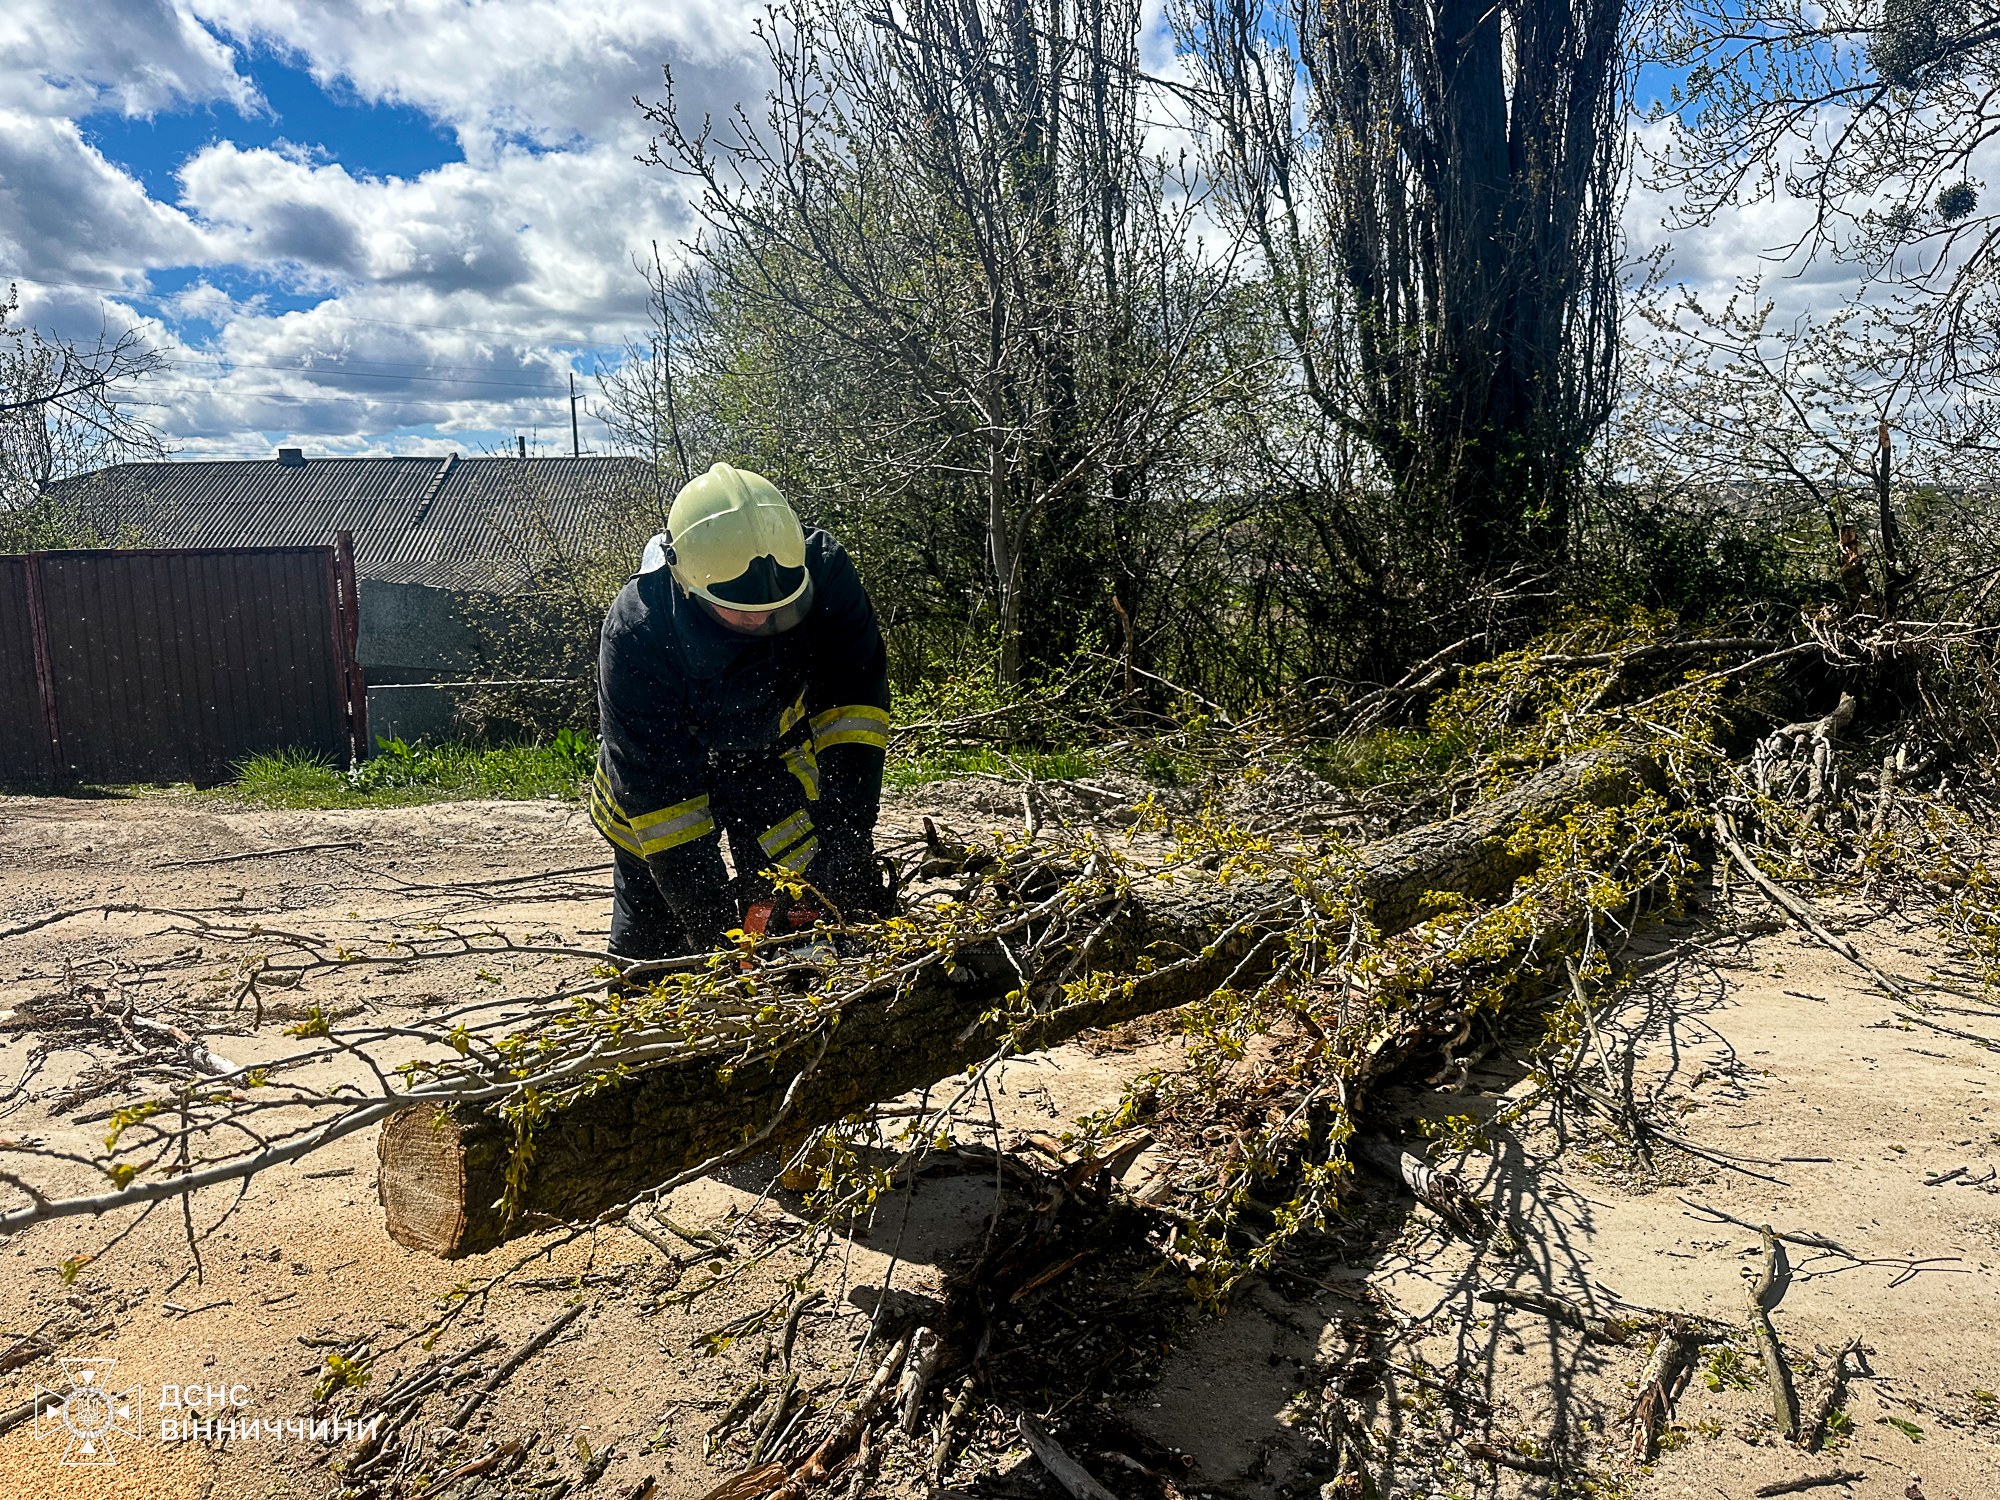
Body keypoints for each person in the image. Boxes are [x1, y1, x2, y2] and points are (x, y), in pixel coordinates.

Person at [591, 462, 892, 959]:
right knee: (659, 958)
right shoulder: (637, 632)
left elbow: (853, 707)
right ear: (687, 583)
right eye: (741, 608)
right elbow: (660, 798)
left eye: (779, 602)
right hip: (659, 802)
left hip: (769, 775)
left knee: (818, 908)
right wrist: (714, 939)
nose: (765, 617)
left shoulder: (826, 572)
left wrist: (848, 830)